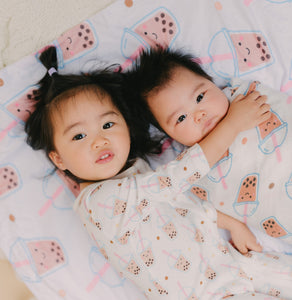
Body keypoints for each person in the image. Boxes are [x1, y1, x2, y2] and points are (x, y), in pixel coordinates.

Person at [25, 46, 292, 299]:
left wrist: (232, 224)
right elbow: (178, 176)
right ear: (59, 159)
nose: (99, 141)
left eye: (108, 124)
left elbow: (182, 204)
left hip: (235, 266)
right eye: (79, 136)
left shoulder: (136, 174)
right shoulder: (98, 202)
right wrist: (232, 124)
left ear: (127, 128)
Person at [125, 47, 292, 249]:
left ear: (212, 83)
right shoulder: (192, 167)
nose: (199, 114)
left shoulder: (247, 96)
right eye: (180, 118)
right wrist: (234, 226)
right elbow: (194, 207)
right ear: (170, 135)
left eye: (200, 97)